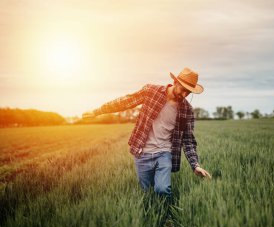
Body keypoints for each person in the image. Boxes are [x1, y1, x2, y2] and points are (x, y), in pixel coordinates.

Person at [82, 67, 211, 197]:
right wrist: (98, 111)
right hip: (142, 152)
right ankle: (153, 214)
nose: (184, 95)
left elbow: (188, 140)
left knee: (162, 189)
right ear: (176, 82)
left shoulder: (187, 110)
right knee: (147, 193)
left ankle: (166, 213)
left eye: (188, 92)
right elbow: (125, 102)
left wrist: (195, 165)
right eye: (183, 90)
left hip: (164, 154)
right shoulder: (151, 91)